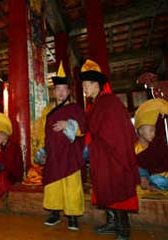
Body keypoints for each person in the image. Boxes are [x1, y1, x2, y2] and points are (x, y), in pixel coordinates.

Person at [80, 59, 140, 240]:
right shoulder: (96, 103)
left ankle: (124, 228)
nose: (84, 88)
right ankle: (112, 222)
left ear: (96, 84)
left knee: (116, 188)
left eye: (86, 84)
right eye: (83, 85)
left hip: (114, 154)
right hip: (103, 154)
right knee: (106, 188)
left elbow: (116, 131)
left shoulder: (109, 102)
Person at [42, 61, 86, 230]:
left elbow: (83, 129)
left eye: (63, 90)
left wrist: (68, 124)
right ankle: (54, 213)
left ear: (68, 91)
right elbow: (43, 132)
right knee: (53, 184)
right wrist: (42, 149)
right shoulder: (48, 111)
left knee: (71, 185)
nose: (60, 93)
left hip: (69, 154)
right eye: (57, 89)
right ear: (54, 92)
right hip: (53, 153)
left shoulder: (75, 108)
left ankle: (73, 216)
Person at [134, 98, 168, 194]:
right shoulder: (134, 149)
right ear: (140, 130)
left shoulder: (157, 146)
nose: (153, 133)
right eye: (151, 130)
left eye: (154, 130)